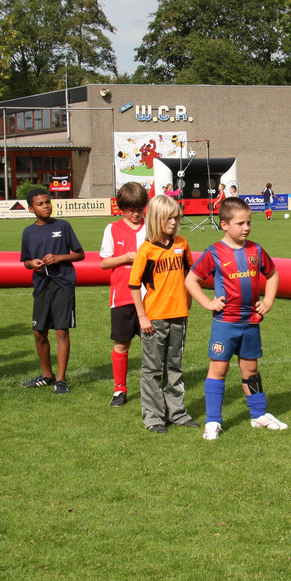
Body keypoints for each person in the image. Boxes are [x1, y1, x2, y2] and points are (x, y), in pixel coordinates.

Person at [185, 196, 288, 441]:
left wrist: (268, 301)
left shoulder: (256, 250)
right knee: (218, 369)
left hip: (250, 323)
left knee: (251, 369)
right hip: (225, 324)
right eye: (240, 223)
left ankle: (259, 414)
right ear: (224, 225)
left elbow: (272, 275)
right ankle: (213, 421)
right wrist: (208, 303)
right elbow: (191, 279)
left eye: (249, 222)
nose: (246, 227)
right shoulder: (214, 252)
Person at [129, 194, 198, 433]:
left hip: (179, 315)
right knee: (152, 369)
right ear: (156, 219)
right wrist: (142, 317)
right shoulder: (146, 250)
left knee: (174, 365)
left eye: (176, 217)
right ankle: (154, 417)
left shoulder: (182, 244)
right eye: (168, 218)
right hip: (154, 318)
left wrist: (188, 300)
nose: (173, 222)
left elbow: (189, 275)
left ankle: (177, 413)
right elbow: (134, 285)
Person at [20, 188, 85, 394]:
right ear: (31, 209)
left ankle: (61, 379)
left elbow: (80, 254)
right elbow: (25, 261)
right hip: (41, 286)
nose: (46, 206)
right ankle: (47, 375)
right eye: (40, 204)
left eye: (47, 202)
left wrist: (60, 258)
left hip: (63, 284)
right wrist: (32, 264)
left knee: (61, 331)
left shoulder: (63, 226)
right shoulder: (28, 232)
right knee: (39, 332)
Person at [100, 182, 149, 407]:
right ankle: (119, 390)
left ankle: (154, 389)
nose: (136, 214)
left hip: (149, 297)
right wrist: (126, 258)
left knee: (153, 345)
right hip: (121, 296)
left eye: (139, 209)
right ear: (122, 208)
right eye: (131, 210)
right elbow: (104, 263)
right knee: (121, 344)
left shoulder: (151, 227)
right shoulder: (112, 229)